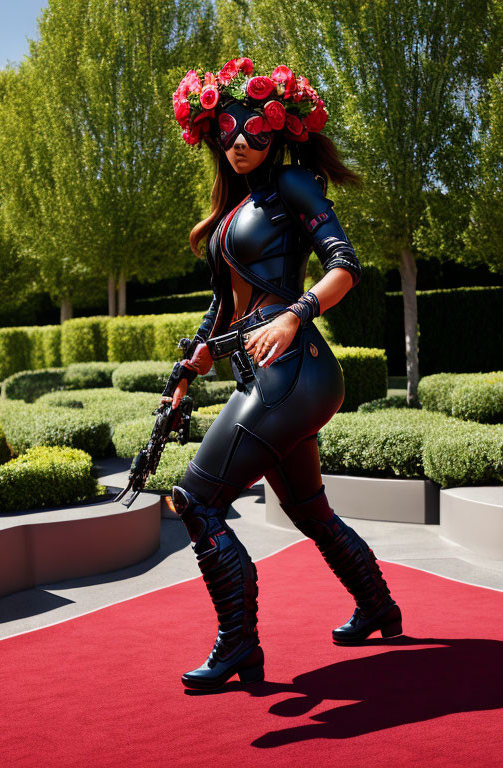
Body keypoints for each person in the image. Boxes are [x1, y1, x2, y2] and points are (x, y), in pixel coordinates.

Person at [164, 58, 402, 691]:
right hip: (266, 375)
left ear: (278, 134)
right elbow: (228, 306)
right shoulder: (235, 204)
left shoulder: (291, 187)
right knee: (306, 507)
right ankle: (379, 607)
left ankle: (238, 644)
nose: (240, 142)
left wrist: (296, 314)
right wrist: (194, 364)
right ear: (214, 135)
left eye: (255, 132)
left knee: (196, 498)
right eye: (230, 133)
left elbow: (345, 265)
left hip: (293, 371)